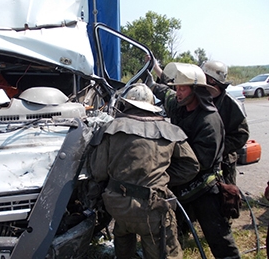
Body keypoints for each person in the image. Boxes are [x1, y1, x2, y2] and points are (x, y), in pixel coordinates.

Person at [88, 83, 199, 259]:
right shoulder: (171, 131)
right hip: (152, 208)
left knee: (123, 237)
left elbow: (98, 171)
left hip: (118, 206)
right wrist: (161, 177)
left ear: (127, 104)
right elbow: (191, 166)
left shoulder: (111, 128)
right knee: (163, 251)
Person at [149, 61, 241, 258]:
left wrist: (163, 175)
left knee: (220, 241)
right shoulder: (180, 106)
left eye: (183, 88)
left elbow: (198, 164)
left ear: (196, 90)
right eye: (178, 88)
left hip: (205, 190)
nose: (178, 92)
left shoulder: (209, 121)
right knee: (173, 237)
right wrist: (150, 85)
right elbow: (166, 94)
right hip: (183, 187)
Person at [201, 60, 249, 185]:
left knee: (226, 197)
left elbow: (241, 135)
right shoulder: (200, 100)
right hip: (203, 161)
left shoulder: (231, 105)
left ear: (212, 81)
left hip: (225, 163)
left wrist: (218, 149)